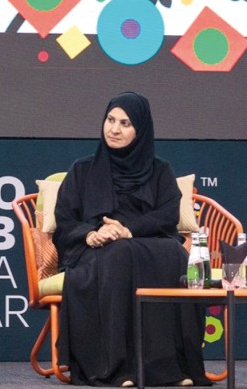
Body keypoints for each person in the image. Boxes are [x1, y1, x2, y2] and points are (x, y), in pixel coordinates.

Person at [54, 91, 209, 387]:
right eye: (110, 120)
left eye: (125, 123)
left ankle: (170, 369)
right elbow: (65, 220)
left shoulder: (160, 170)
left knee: (175, 255)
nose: (114, 129)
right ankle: (115, 369)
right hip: (95, 250)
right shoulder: (82, 170)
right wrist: (91, 234)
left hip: (144, 240)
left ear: (140, 129)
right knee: (119, 254)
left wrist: (128, 229)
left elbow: (167, 216)